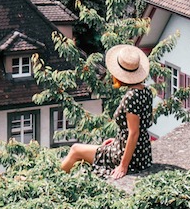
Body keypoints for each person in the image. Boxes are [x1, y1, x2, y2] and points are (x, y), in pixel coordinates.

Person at [60, 44, 153, 180]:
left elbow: (133, 133)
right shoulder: (146, 91)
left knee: (75, 149)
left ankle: (56, 179)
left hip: (130, 156)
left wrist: (123, 166)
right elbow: (136, 128)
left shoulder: (131, 97)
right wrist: (117, 139)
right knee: (89, 150)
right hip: (142, 152)